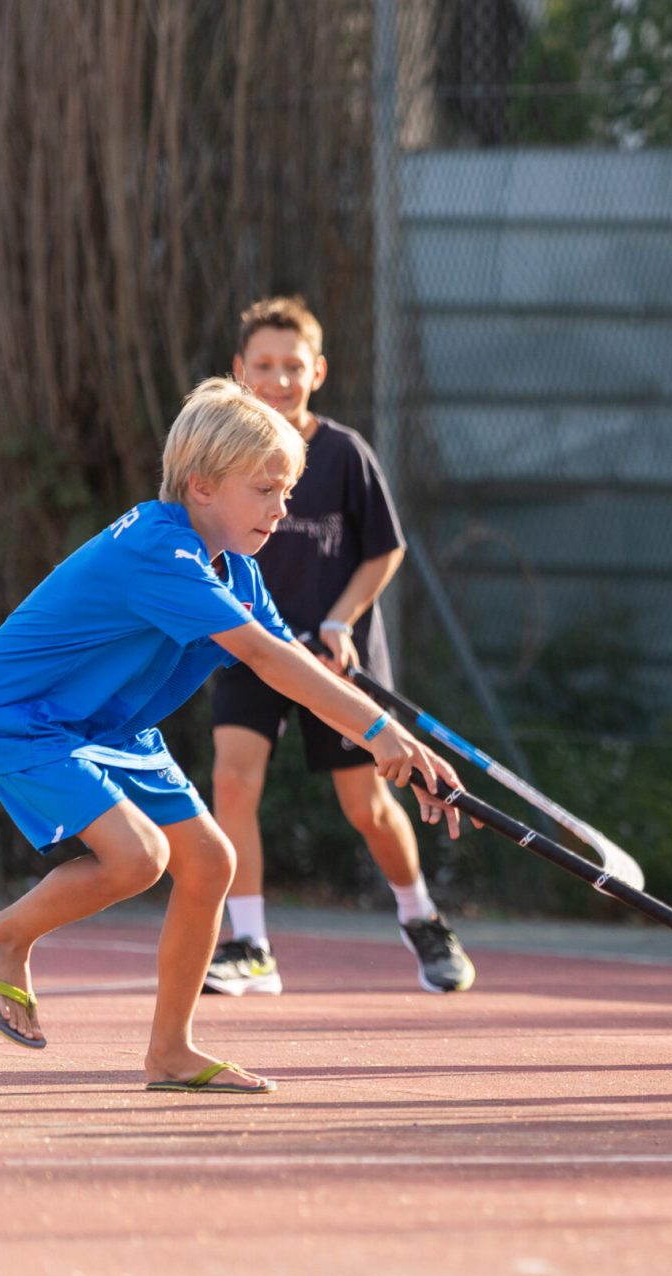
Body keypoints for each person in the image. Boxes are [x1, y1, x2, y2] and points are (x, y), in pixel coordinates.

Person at [0, 378, 466, 1092]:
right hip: (21, 712)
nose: (282, 508)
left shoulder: (239, 574)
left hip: (110, 723)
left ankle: (170, 1052)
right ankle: (0, 938)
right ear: (201, 485)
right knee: (140, 857)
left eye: (287, 491)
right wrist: (380, 731)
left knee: (210, 862)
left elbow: (289, 663)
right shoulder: (160, 550)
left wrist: (403, 745)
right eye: (266, 490)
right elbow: (264, 657)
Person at [204, 296, 475, 998]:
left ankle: (421, 917)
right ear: (239, 371)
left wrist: (340, 621)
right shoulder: (219, 461)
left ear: (317, 372)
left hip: (334, 660)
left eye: (293, 366)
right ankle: (250, 945)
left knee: (368, 805)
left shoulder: (345, 454)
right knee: (232, 780)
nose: (279, 379)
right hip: (251, 649)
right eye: (264, 365)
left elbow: (385, 550)